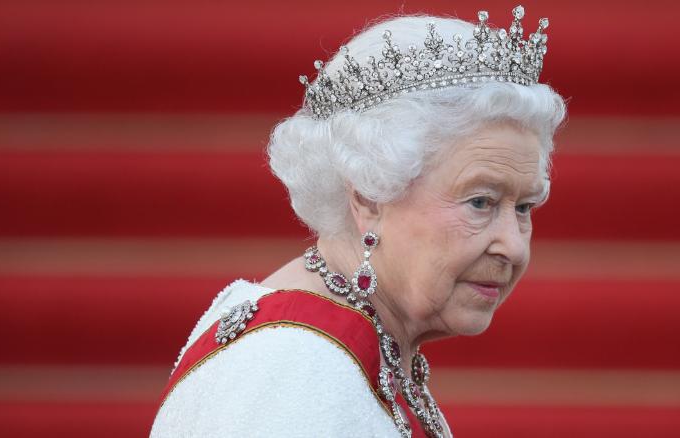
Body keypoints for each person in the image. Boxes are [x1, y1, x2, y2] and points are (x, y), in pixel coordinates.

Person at [151, 5, 567, 437]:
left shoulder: (352, 348)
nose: (514, 247)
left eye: (524, 208)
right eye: (481, 202)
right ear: (369, 194)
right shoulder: (293, 377)